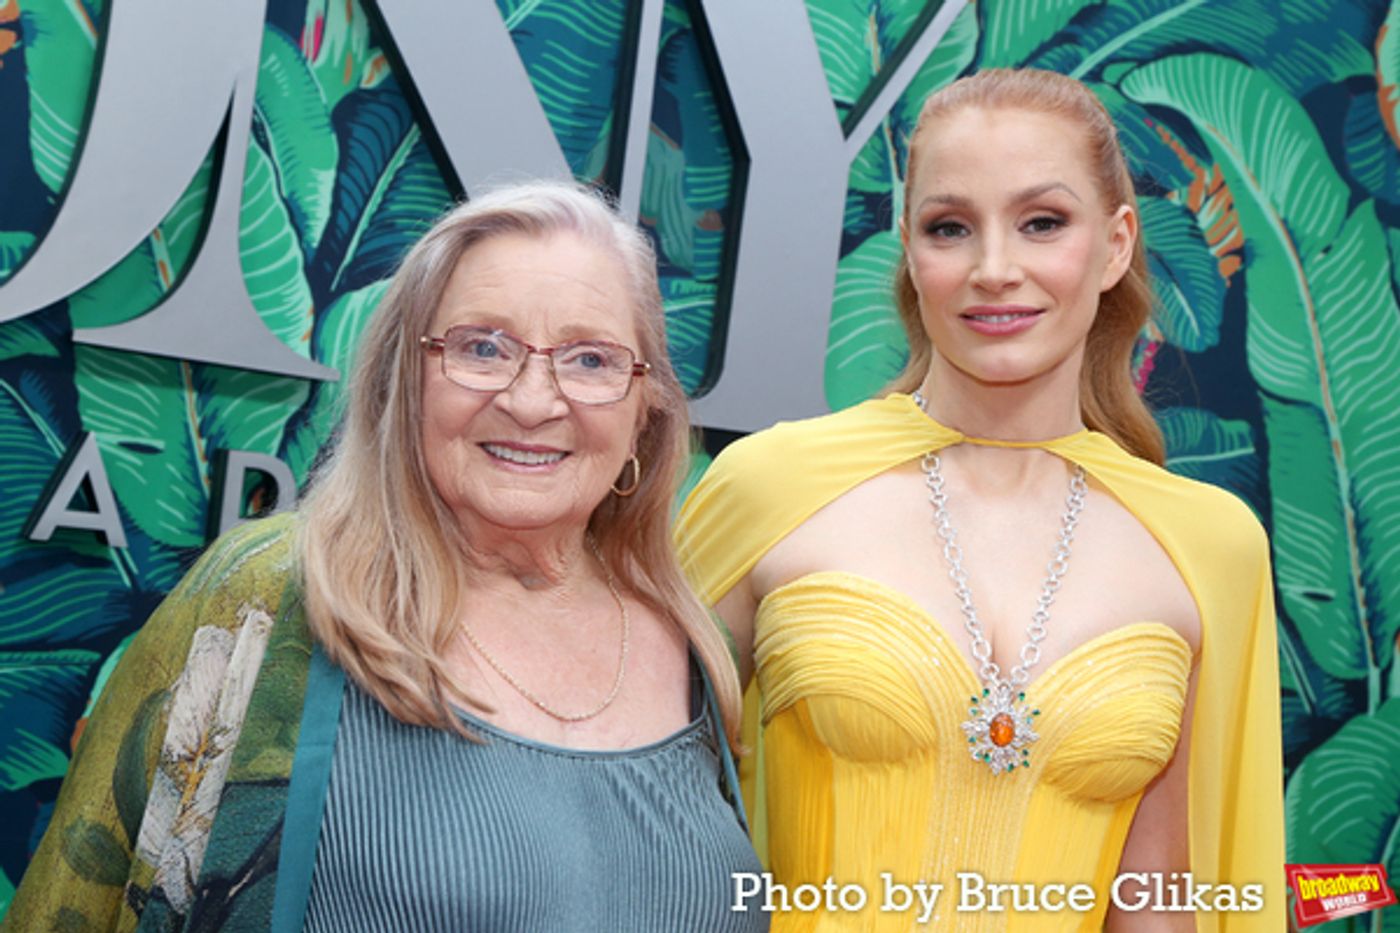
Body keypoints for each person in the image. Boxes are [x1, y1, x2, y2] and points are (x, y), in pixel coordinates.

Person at [6, 181, 765, 932]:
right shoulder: (272, 593)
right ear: (407, 377)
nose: (533, 401)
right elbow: (76, 903)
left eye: (591, 359)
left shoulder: (691, 644)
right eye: (482, 347)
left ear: (646, 407)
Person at [676, 68, 1283, 930]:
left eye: (1042, 222)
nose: (995, 269)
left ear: (1114, 245)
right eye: (951, 227)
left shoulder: (1205, 544)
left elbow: (1154, 900)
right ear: (911, 251)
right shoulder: (768, 489)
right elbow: (638, 818)